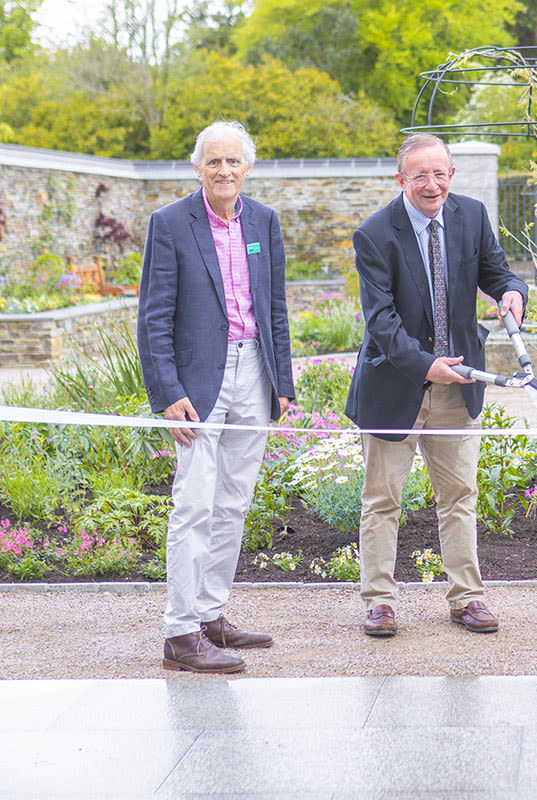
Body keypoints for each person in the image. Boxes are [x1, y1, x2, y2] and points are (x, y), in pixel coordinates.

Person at [345, 133, 528, 638]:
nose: (432, 184)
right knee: (382, 501)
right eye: (420, 175)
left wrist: (513, 292)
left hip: (458, 387)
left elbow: (498, 272)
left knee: (460, 496)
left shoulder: (470, 215)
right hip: (396, 386)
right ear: (401, 179)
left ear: (452, 174)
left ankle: (467, 599)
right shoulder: (375, 233)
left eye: (440, 173)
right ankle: (379, 603)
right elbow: (380, 322)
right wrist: (425, 365)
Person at [137, 120, 294, 674]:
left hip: (254, 369)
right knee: (195, 503)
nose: (224, 171)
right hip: (198, 380)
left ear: (247, 167)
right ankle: (180, 634)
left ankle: (210, 615)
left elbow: (274, 307)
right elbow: (153, 315)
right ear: (197, 167)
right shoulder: (170, 223)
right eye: (214, 162)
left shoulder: (264, 222)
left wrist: (283, 385)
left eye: (233, 162)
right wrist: (167, 392)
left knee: (233, 502)